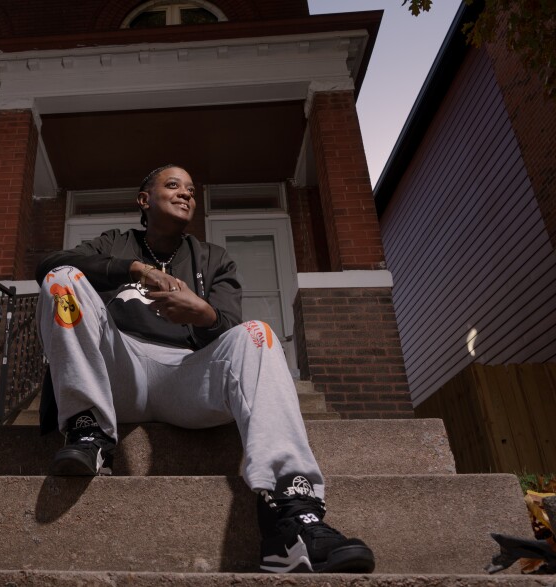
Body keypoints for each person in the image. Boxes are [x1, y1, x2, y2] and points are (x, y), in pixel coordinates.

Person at [34, 164, 375, 574]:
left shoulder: (214, 258)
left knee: (257, 333)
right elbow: (49, 263)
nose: (185, 194)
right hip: (119, 374)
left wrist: (205, 314)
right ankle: (89, 430)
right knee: (62, 278)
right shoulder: (115, 243)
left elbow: (231, 330)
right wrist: (134, 269)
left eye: (192, 190)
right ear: (144, 200)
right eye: (173, 185)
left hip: (187, 377)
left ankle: (292, 516)